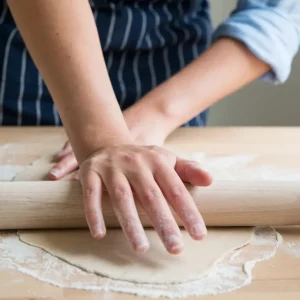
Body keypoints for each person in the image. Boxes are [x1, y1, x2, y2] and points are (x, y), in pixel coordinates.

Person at [1, 0, 299, 254]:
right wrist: (102, 138)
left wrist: (157, 114)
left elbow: (275, 13)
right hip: (31, 68)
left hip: (173, 79)